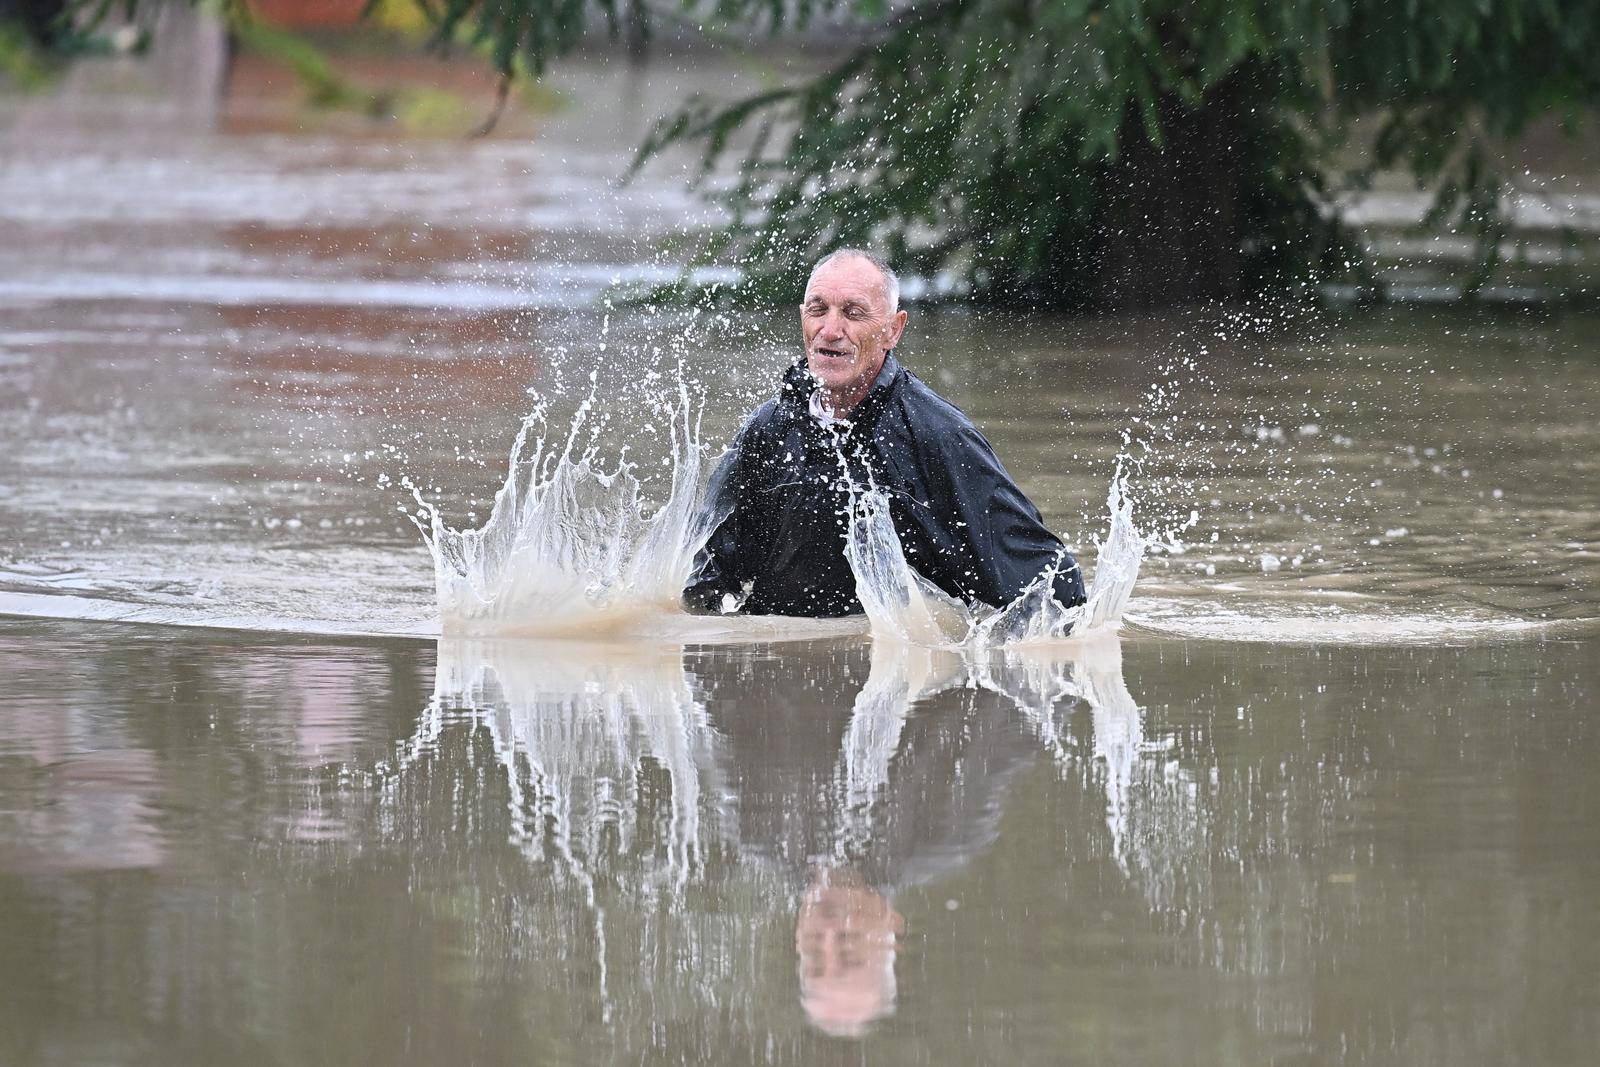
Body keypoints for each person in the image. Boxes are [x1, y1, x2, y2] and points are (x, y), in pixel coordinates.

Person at [683, 248, 1085, 618]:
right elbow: (703, 582)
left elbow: (1053, 585)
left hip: (899, 682)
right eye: (817, 309)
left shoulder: (939, 435)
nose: (830, 329)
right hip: (784, 674)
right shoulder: (767, 430)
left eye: (853, 313)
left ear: (893, 330)